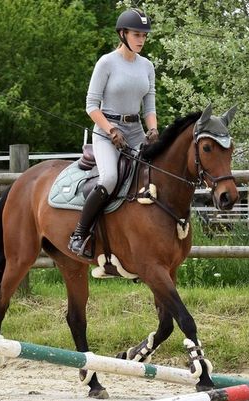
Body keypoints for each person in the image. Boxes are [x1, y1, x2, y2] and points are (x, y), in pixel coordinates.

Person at [68, 8, 159, 255]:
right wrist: (111, 131)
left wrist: (153, 129)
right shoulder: (106, 62)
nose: (141, 40)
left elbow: (149, 107)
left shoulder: (147, 66)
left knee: (156, 174)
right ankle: (80, 234)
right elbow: (90, 105)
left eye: (144, 35)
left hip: (137, 130)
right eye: (137, 34)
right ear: (122, 34)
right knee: (109, 178)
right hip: (107, 130)